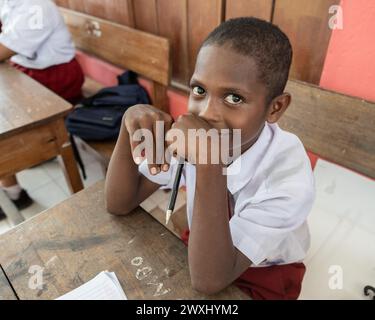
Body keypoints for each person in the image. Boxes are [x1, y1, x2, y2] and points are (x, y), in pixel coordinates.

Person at [105, 17, 315, 300]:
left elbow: (209, 280)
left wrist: (208, 161)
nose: (206, 113)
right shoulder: (193, 134)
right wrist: (126, 126)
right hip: (205, 241)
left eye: (234, 98)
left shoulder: (287, 180)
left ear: (275, 107)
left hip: (265, 269)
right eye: (200, 90)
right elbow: (119, 203)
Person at [0, 0, 84, 218]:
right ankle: (12, 187)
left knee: (6, 113)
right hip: (28, 70)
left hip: (56, 76)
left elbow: (3, 50)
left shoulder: (36, 6)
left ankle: (14, 190)